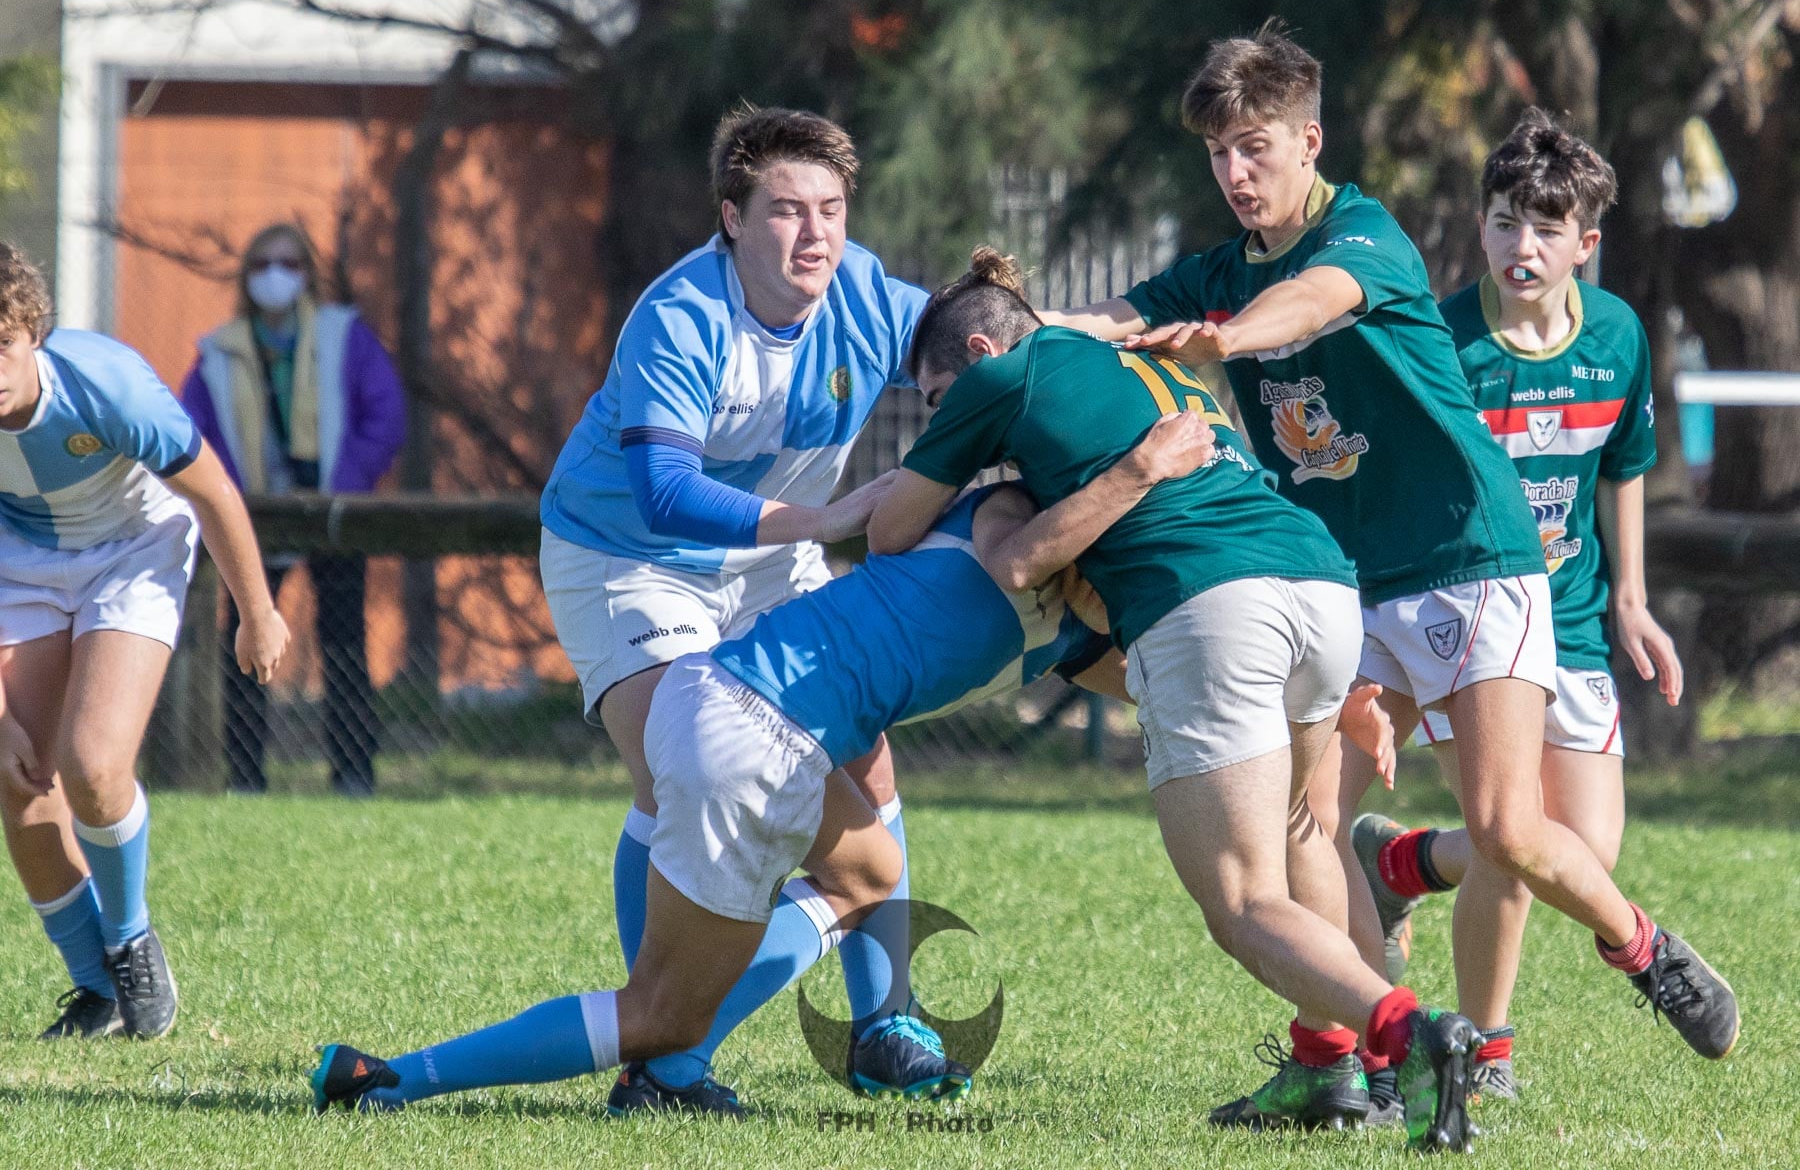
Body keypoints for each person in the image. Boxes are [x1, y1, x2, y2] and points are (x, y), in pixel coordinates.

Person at [1033, 21, 1738, 1124]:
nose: (1236, 172)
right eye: (1218, 152)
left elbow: (1309, 306)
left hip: (1470, 557)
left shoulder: (1363, 235)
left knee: (1505, 829)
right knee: (1305, 826)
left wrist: (1228, 339)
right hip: (1350, 584)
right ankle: (1352, 1058)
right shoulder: (1217, 271)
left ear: (1309, 140)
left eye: (1255, 146)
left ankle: (1642, 947)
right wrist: (1016, 328)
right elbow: (1105, 321)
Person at [312, 411, 1315, 1113]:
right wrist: (1141, 468)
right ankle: (394, 1080)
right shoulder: (1012, 520)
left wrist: (1316, 698)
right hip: (750, 729)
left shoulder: (1075, 610)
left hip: (738, 705)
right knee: (656, 1014)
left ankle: (724, 1050)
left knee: (870, 872)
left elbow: (1168, 680)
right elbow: (1020, 552)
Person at [868, 250, 1481, 1153]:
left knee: (1242, 903)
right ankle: (1325, 1065)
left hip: (1212, 604)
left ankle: (1410, 1036)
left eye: (936, 396)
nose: (939, 416)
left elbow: (891, 532)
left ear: (983, 350)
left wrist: (977, 489)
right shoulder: (1126, 363)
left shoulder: (1001, 377)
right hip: (1318, 582)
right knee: (1302, 828)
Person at [535, 104, 946, 1110]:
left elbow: (981, 346)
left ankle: (885, 1023)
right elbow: (663, 495)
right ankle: (664, 1048)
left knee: (866, 756)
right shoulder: (681, 315)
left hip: (772, 560)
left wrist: (1103, 341)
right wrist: (828, 517)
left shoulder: (863, 292)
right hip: (630, 563)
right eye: (786, 211)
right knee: (681, 783)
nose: (815, 234)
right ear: (732, 217)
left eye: (832, 210)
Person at [1352, 110, 1704, 1103]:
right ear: (1481, 226)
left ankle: (1404, 863)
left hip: (1572, 617)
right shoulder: (1441, 343)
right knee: (1512, 838)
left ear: (1585, 243)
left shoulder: (1619, 336)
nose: (1523, 246)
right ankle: (1487, 1053)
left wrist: (1631, 599)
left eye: (1547, 230)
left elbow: (1626, 464)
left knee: (1580, 851)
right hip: (1463, 618)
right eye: (1506, 222)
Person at [0, 243, 289, 1040]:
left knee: (93, 766)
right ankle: (97, 991)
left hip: (131, 549)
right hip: (20, 562)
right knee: (17, 775)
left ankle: (129, 939)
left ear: (33, 333)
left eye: (2, 342)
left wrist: (257, 611)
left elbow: (213, 489)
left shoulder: (105, 382)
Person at [181, 223, 406, 796]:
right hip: (252, 513)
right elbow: (192, 433)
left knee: (345, 640)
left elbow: (385, 415)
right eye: (262, 264)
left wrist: (346, 483)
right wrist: (229, 496)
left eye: (288, 262)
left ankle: (354, 775)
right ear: (245, 276)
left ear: (308, 272)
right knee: (247, 641)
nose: (275, 275)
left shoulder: (344, 335)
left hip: (334, 506)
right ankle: (245, 778)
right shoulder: (218, 352)